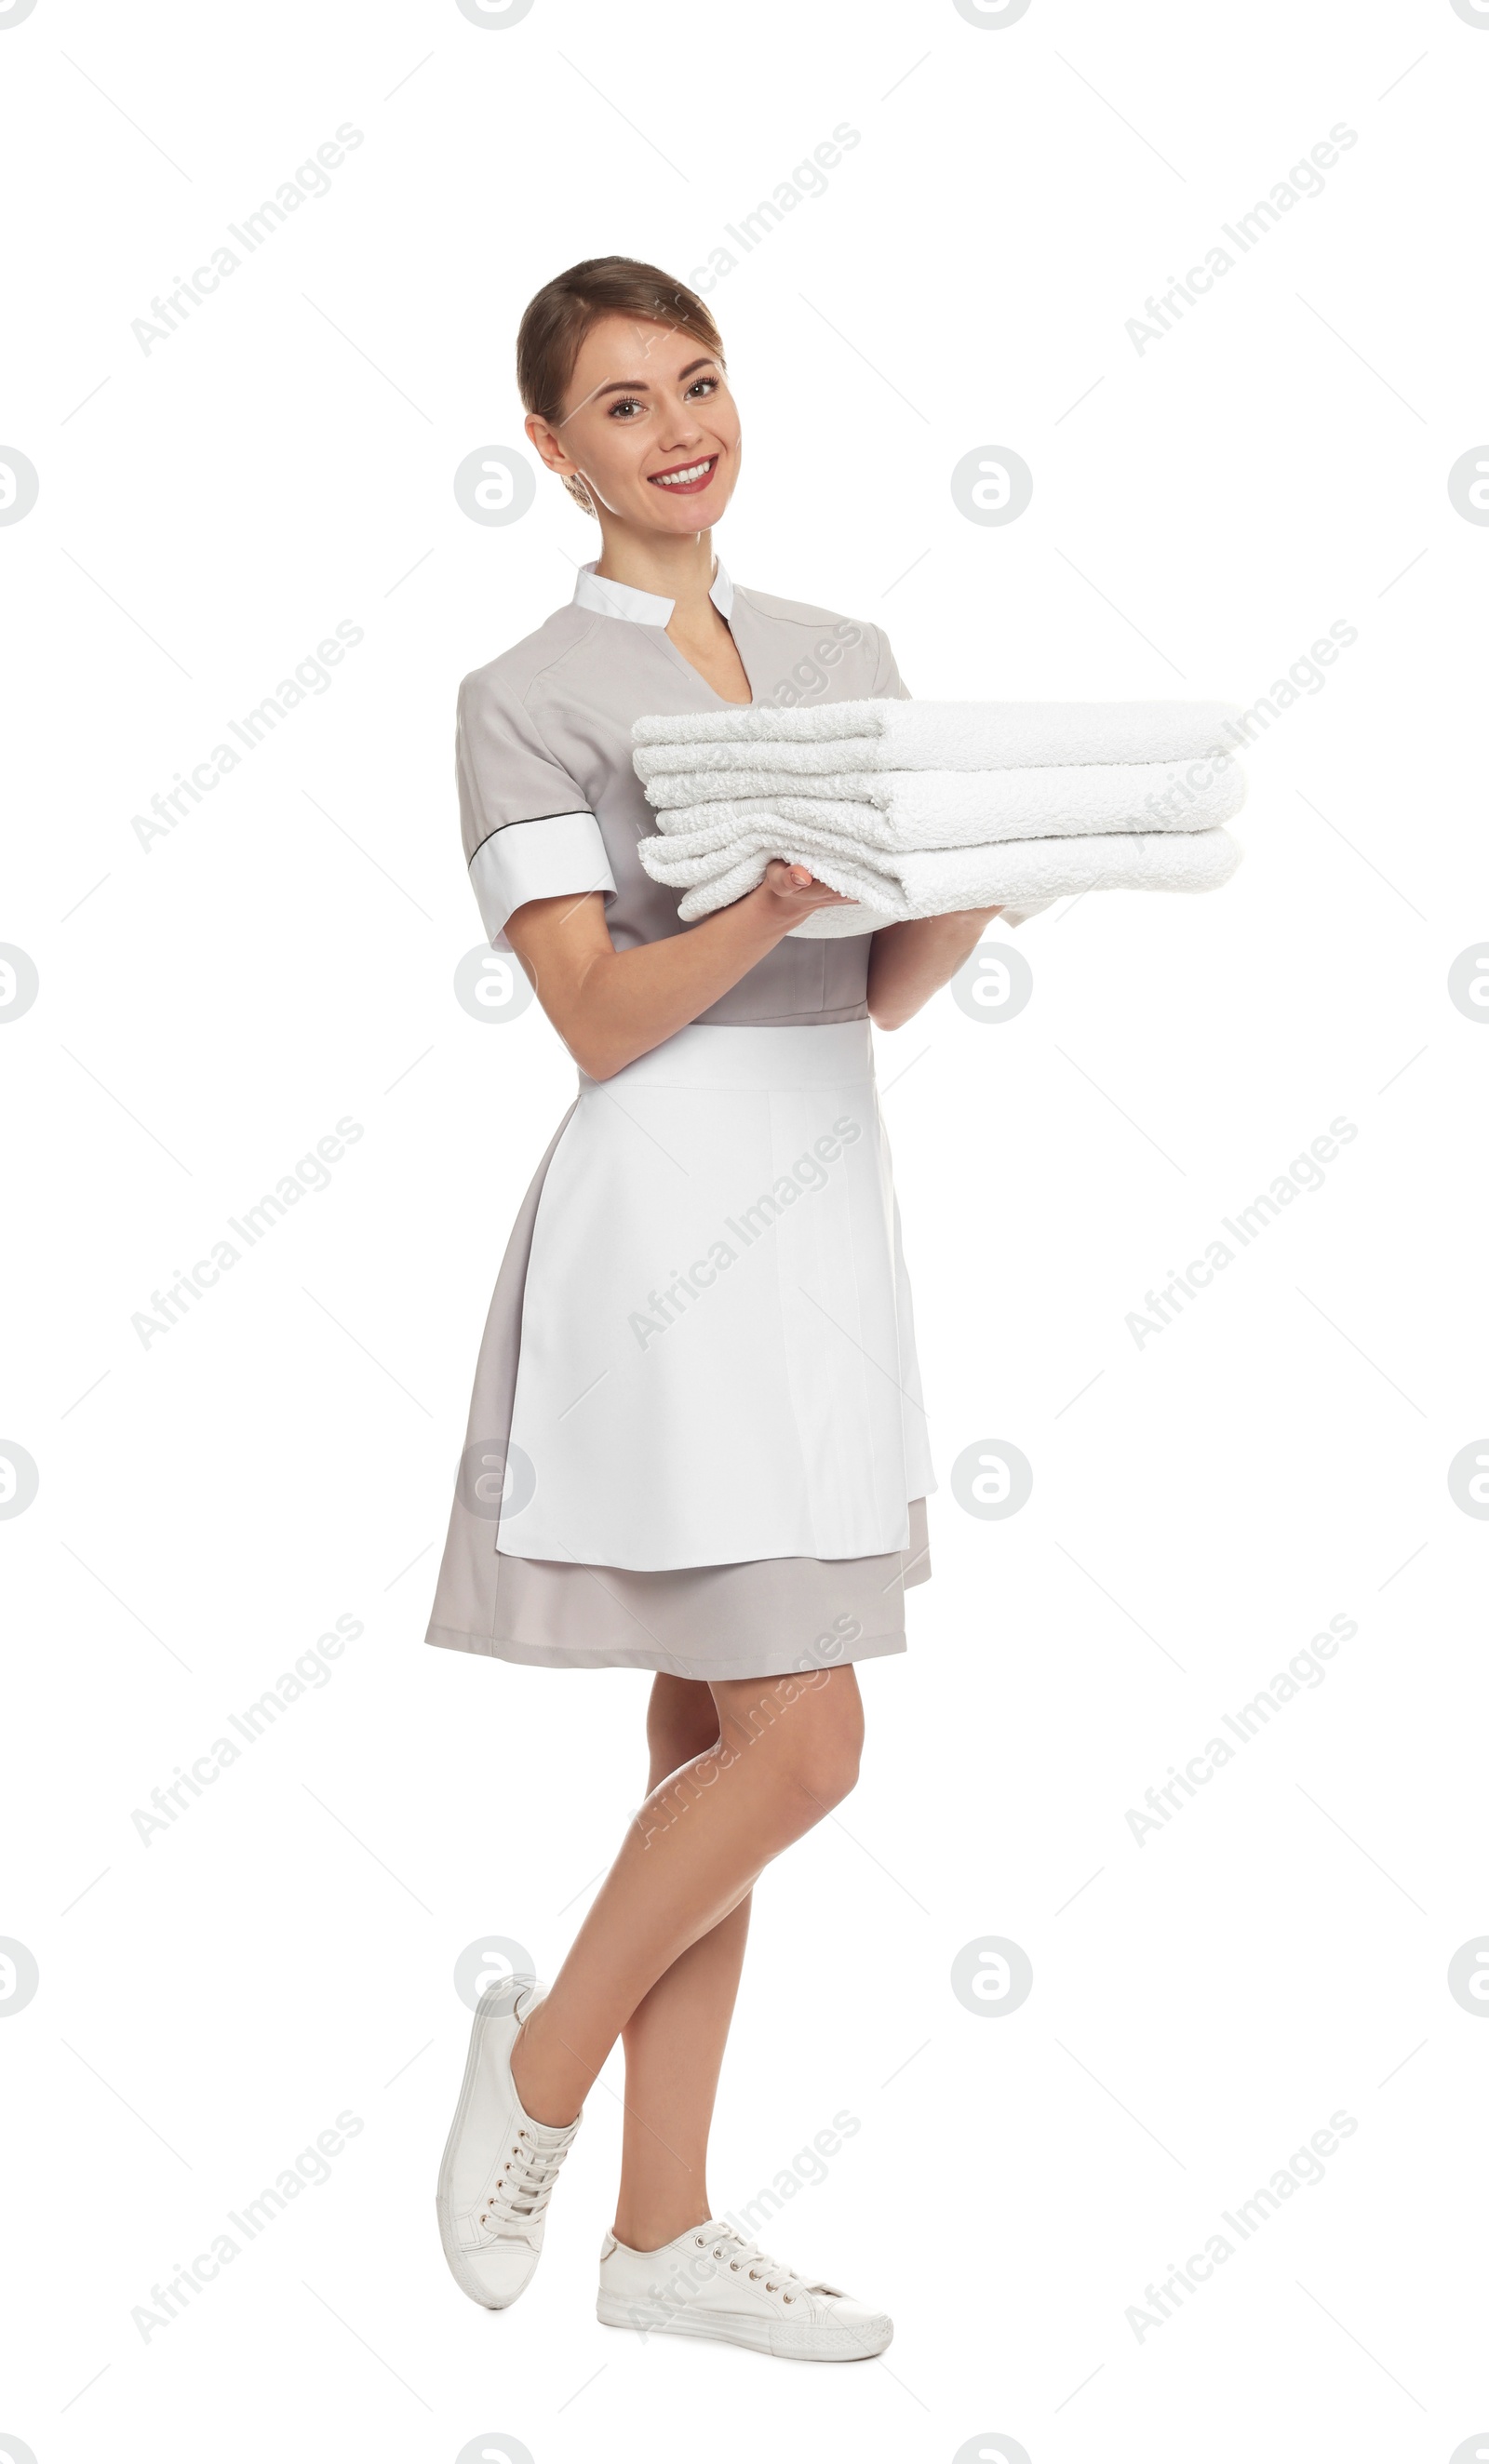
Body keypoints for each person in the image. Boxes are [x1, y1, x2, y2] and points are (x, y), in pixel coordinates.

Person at [427, 257, 1001, 2362]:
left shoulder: (842, 653)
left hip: (822, 1225)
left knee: (707, 1737)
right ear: (552, 451)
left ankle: (659, 2230)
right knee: (803, 1737)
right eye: (622, 403)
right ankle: (540, 2067)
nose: (678, 426)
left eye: (698, 382)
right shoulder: (523, 693)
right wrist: (759, 891)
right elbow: (588, 1015)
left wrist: (951, 888)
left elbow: (853, 988)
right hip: (661, 1237)